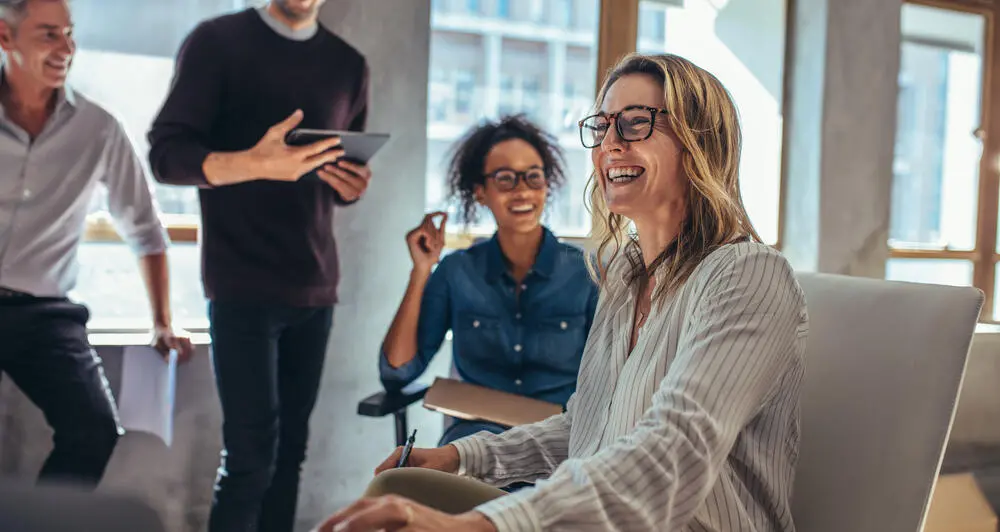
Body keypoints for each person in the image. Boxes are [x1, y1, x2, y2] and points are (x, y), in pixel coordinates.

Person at [315, 53, 809, 532]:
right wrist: (460, 455)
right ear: (480, 192)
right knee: (398, 489)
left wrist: (483, 525)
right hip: (591, 511)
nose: (609, 144)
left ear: (700, 141)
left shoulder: (747, 275)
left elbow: (671, 453)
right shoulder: (622, 277)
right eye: (603, 126)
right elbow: (585, 430)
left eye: (635, 123)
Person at [146, 0, 371, 530]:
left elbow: (337, 171)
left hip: (315, 287)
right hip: (240, 285)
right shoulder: (217, 41)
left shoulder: (349, 64)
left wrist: (350, 187)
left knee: (290, 456)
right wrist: (253, 162)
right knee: (249, 461)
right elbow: (166, 156)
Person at [0, 0, 193, 489]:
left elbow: (145, 229)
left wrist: (163, 322)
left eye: (69, 34)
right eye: (48, 35)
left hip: (44, 313)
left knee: (93, 430)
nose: (66, 48)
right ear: (6, 37)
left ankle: (39, 528)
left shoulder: (99, 129)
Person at [380, 115, 599, 446]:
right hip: (473, 441)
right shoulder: (456, 272)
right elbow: (397, 372)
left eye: (533, 177)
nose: (522, 190)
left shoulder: (587, 273)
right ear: (480, 192)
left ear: (547, 185)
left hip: (560, 443)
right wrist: (421, 270)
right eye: (506, 179)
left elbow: (615, 379)